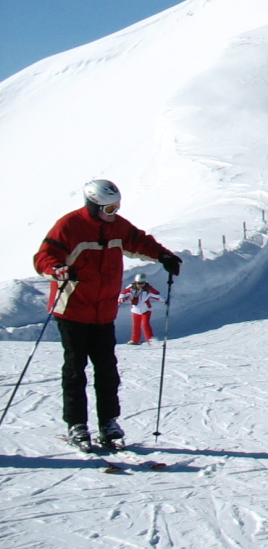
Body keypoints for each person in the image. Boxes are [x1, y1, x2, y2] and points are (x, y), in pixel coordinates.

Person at [33, 179, 181, 451]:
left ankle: (108, 422)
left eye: (117, 207)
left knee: (107, 370)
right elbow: (44, 257)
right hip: (73, 309)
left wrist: (163, 256)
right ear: (92, 205)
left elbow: (138, 242)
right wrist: (58, 270)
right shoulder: (69, 226)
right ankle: (77, 424)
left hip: (103, 311)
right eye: (108, 208)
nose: (113, 212)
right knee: (76, 369)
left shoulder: (117, 226)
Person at [118, 272, 160, 345]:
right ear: (135, 282)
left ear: (145, 282)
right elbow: (124, 294)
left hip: (146, 310)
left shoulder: (148, 288)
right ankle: (135, 340)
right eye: (138, 283)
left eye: (142, 283)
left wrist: (163, 300)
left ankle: (151, 340)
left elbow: (156, 294)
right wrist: (122, 299)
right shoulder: (131, 288)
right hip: (135, 310)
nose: (140, 285)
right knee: (136, 325)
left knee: (145, 324)